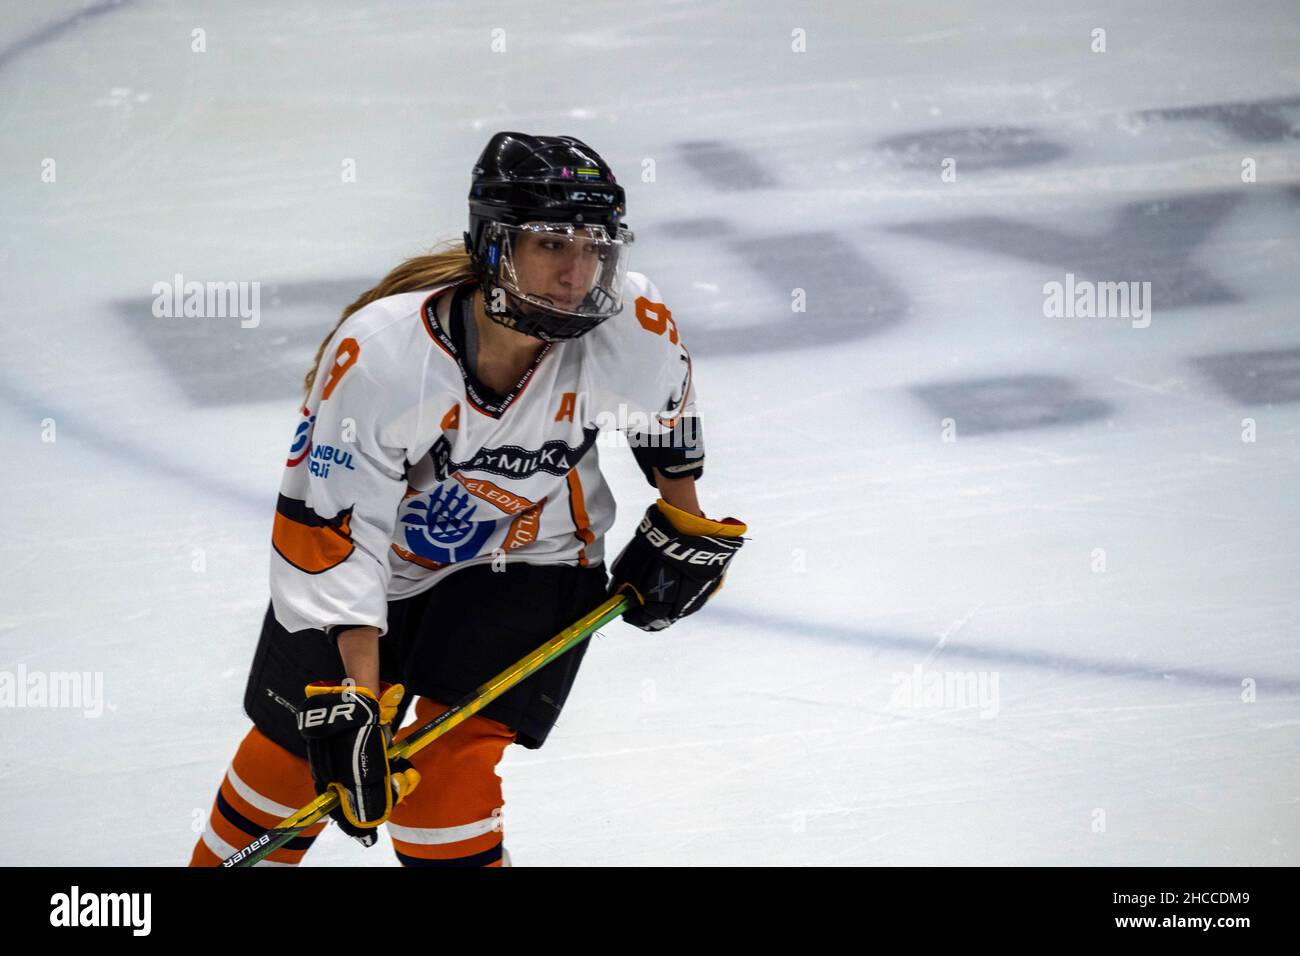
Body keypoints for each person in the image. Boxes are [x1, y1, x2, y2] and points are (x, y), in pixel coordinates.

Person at [187, 132, 747, 867]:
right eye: (551, 244)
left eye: (594, 247)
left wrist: (687, 521)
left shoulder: (629, 325)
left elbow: (666, 412)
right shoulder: (383, 355)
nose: (577, 273)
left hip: (533, 553)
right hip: (378, 566)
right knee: (291, 764)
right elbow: (329, 539)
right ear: (493, 246)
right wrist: (355, 699)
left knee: (444, 789)